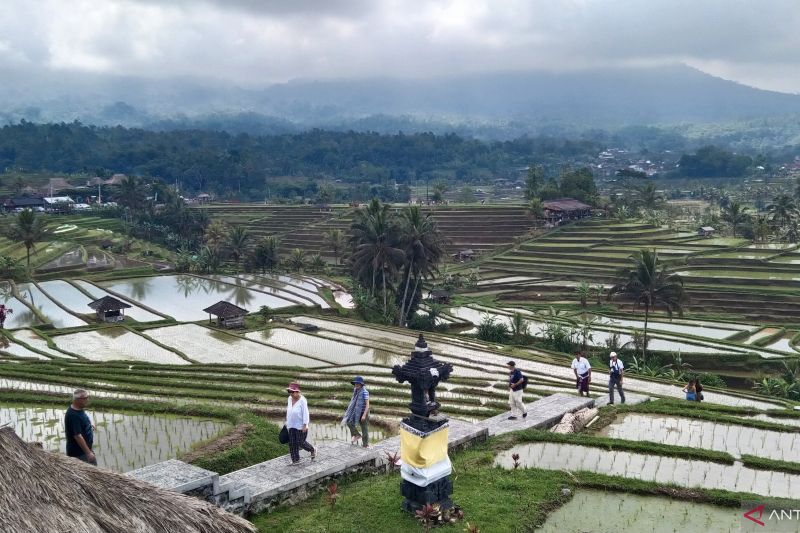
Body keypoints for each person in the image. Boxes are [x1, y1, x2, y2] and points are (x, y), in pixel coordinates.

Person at [285, 382, 315, 465]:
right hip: (291, 425)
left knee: (300, 442)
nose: (290, 393)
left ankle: (312, 449)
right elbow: (289, 411)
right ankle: (295, 460)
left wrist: (305, 425)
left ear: (297, 392)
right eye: (289, 392)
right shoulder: (289, 399)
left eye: (291, 392)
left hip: (300, 425)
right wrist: (287, 422)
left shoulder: (302, 400)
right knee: (292, 443)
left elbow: (306, 413)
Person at [65, 389, 96, 465]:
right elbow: (77, 436)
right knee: (91, 473)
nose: (87, 400)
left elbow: (80, 423)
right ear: (77, 400)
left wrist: (89, 426)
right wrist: (88, 453)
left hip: (85, 450)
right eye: (85, 398)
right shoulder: (73, 415)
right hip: (80, 454)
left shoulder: (78, 409)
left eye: (87, 397)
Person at [342, 376, 370, 447]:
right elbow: (353, 402)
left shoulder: (365, 392)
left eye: (358, 384)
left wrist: (364, 415)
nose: (356, 385)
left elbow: (367, 405)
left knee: (364, 429)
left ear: (361, 384)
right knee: (349, 422)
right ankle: (357, 435)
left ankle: (365, 445)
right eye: (355, 383)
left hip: (364, 413)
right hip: (356, 412)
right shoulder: (355, 391)